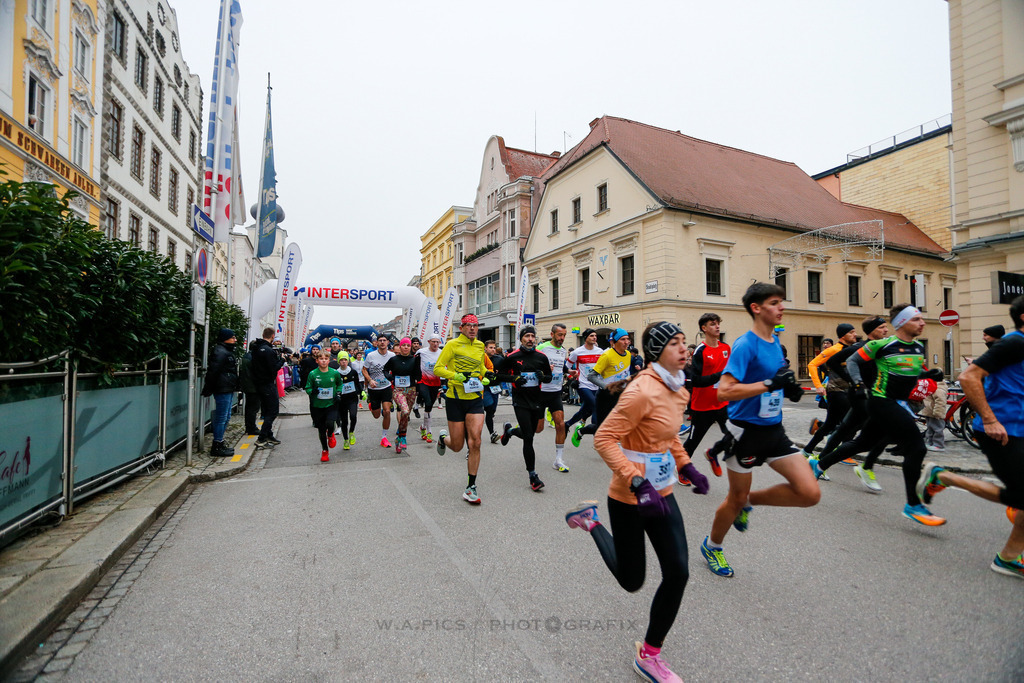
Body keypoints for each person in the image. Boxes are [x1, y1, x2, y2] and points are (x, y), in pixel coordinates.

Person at [565, 322, 709, 683]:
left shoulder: (679, 389)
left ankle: (649, 655)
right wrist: (636, 480)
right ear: (658, 350)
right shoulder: (641, 390)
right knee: (632, 581)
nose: (685, 349)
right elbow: (605, 439)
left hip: (661, 493)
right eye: (676, 344)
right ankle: (591, 521)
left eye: (685, 343)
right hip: (630, 496)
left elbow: (670, 435)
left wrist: (687, 464)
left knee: (678, 572)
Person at [699, 283, 818, 578]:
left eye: (781, 302)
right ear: (757, 308)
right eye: (775, 302)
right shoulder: (745, 344)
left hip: (774, 430)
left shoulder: (775, 341)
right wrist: (768, 385)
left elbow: (773, 383)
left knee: (809, 492)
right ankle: (712, 546)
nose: (782, 307)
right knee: (734, 498)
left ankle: (751, 502)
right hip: (745, 434)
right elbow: (724, 392)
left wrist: (788, 388)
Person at [917, 295, 1024, 579]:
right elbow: (968, 377)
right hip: (1000, 429)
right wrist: (989, 419)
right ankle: (943, 477)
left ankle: (1009, 558)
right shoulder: (1015, 342)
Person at [809, 303, 946, 526]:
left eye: (921, 319)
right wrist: (858, 383)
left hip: (896, 402)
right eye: (916, 319)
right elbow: (852, 361)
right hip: (880, 401)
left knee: (861, 443)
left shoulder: (918, 348)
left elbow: (911, 371)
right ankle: (913, 504)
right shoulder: (881, 345)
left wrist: (929, 373)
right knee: (917, 446)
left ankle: (819, 464)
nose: (922, 323)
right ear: (901, 323)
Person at [813, 316, 891, 491]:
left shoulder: (884, 346)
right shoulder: (860, 347)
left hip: (873, 396)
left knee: (843, 431)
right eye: (882, 328)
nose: (886, 330)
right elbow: (831, 362)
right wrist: (854, 381)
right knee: (875, 432)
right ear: (871, 331)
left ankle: (818, 462)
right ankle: (865, 466)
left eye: (886, 327)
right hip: (860, 396)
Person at [432, 314, 494, 504]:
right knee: (458, 446)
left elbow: (480, 368)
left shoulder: (479, 346)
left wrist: (486, 375)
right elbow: (437, 368)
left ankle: (471, 487)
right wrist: (455, 376)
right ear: (462, 328)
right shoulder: (452, 345)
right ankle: (444, 438)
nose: (473, 329)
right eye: (469, 326)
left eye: (475, 326)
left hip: (475, 398)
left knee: (475, 441)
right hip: (455, 398)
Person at [498, 326, 553, 491]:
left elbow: (549, 377)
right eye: (527, 336)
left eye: (532, 336)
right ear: (521, 339)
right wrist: (514, 378)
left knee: (530, 432)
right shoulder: (513, 357)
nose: (530, 339)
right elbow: (499, 375)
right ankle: (533, 475)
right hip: (520, 400)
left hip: (537, 400)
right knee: (529, 437)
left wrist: (544, 377)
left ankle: (510, 431)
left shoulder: (541, 357)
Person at [682, 313, 732, 480]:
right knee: (693, 442)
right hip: (702, 406)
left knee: (734, 435)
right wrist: (719, 376)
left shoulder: (726, 348)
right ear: (704, 328)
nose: (717, 326)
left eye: (718, 323)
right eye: (712, 324)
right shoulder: (700, 351)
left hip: (722, 402)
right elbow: (695, 381)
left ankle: (713, 453)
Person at [801, 324, 858, 458]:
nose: (855, 335)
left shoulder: (852, 349)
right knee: (851, 422)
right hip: (836, 391)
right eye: (851, 332)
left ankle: (807, 450)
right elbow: (812, 364)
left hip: (846, 391)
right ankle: (844, 455)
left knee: (830, 424)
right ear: (843, 336)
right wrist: (818, 385)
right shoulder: (834, 349)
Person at [570, 328, 633, 447]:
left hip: (620, 395)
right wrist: (607, 387)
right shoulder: (607, 355)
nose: (626, 342)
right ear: (613, 342)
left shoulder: (628, 354)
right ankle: (580, 431)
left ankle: (616, 444)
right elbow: (591, 376)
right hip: (605, 396)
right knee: (600, 427)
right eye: (623, 339)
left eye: (627, 339)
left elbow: (625, 374)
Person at [537, 324, 571, 472]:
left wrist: (569, 371)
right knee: (537, 429)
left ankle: (558, 459)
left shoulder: (563, 351)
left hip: (555, 392)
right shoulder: (542, 348)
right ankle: (511, 431)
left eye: (564, 335)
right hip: (540, 392)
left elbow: (560, 366)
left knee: (560, 424)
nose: (562, 338)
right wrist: (542, 370)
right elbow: (531, 363)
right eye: (559, 335)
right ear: (552, 334)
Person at [202, 329, 239, 457]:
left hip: (226, 387)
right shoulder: (220, 351)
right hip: (222, 388)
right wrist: (208, 387)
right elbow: (213, 371)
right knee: (222, 417)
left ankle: (220, 442)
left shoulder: (225, 351)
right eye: (233, 337)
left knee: (226, 416)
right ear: (225, 338)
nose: (235, 340)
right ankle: (217, 444)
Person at [305, 350, 343, 462]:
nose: (323, 361)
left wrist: (338, 393)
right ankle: (325, 450)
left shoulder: (334, 373)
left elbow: (340, 384)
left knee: (330, 423)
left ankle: (330, 434)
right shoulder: (312, 374)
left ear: (329, 360)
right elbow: (307, 388)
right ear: (317, 361)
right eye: (321, 359)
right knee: (321, 430)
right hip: (317, 406)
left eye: (326, 359)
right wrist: (312, 391)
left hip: (331, 404)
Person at [384, 337, 421, 453]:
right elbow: (385, 370)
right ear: (400, 347)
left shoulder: (414, 360)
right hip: (398, 390)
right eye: (404, 345)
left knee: (406, 415)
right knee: (404, 411)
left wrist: (418, 364)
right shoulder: (394, 359)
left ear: (410, 348)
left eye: (408, 346)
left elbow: (418, 376)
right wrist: (390, 378)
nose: (406, 347)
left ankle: (399, 437)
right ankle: (403, 436)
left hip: (411, 390)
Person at [565, 329, 604, 435]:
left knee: (585, 409)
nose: (594, 337)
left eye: (595, 336)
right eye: (591, 336)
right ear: (585, 338)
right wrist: (571, 376)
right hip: (583, 384)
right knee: (595, 405)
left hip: (596, 385)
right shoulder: (577, 352)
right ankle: (596, 431)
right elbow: (567, 366)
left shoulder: (600, 351)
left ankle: (567, 424)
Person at [251, 327, 283, 448]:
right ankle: (262, 438)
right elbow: (273, 368)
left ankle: (268, 434)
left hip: (259, 383)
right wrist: (282, 361)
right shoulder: (269, 350)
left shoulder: (256, 348)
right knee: (273, 411)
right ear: (272, 336)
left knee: (266, 410)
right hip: (268, 383)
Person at [362, 335, 396, 448]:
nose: (382, 342)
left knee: (387, 411)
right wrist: (370, 380)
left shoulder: (392, 355)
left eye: (384, 341)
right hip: (374, 388)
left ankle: (384, 437)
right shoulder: (371, 356)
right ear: (377, 343)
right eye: (380, 341)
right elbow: (364, 369)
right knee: (377, 415)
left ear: (387, 342)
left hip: (386, 387)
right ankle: (372, 405)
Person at [415, 334, 444, 442]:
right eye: (433, 342)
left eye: (437, 342)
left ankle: (423, 426)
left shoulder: (441, 353)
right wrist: (416, 379)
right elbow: (415, 364)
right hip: (423, 381)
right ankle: (429, 431)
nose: (435, 344)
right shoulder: (421, 352)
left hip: (435, 383)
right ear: (429, 342)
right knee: (427, 403)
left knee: (430, 406)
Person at [334, 351, 362, 449]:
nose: (343, 362)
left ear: (348, 360)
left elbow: (357, 384)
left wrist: (361, 392)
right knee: (344, 421)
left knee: (353, 416)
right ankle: (346, 440)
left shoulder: (353, 372)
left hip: (352, 399)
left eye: (345, 360)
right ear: (338, 361)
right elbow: (335, 386)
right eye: (341, 360)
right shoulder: (336, 373)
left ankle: (351, 432)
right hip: (342, 400)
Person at [483, 339, 503, 443]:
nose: (493, 350)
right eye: (491, 347)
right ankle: (492, 432)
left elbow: (505, 369)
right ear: (485, 348)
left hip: (495, 387)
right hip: (484, 388)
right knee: (490, 406)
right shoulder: (481, 358)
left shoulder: (499, 359)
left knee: (492, 411)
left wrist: (500, 372)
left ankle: (492, 434)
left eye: (494, 348)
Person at [238, 339, 260, 436]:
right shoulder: (253, 357)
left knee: (249, 407)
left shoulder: (246, 356)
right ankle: (251, 427)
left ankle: (249, 426)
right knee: (253, 408)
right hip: (253, 386)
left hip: (247, 385)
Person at [920, 378, 948, 452]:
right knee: (930, 428)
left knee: (937, 429)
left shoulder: (938, 389)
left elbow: (940, 402)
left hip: (935, 413)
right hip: (930, 412)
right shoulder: (933, 387)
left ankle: (939, 445)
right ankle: (930, 443)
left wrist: (938, 413)